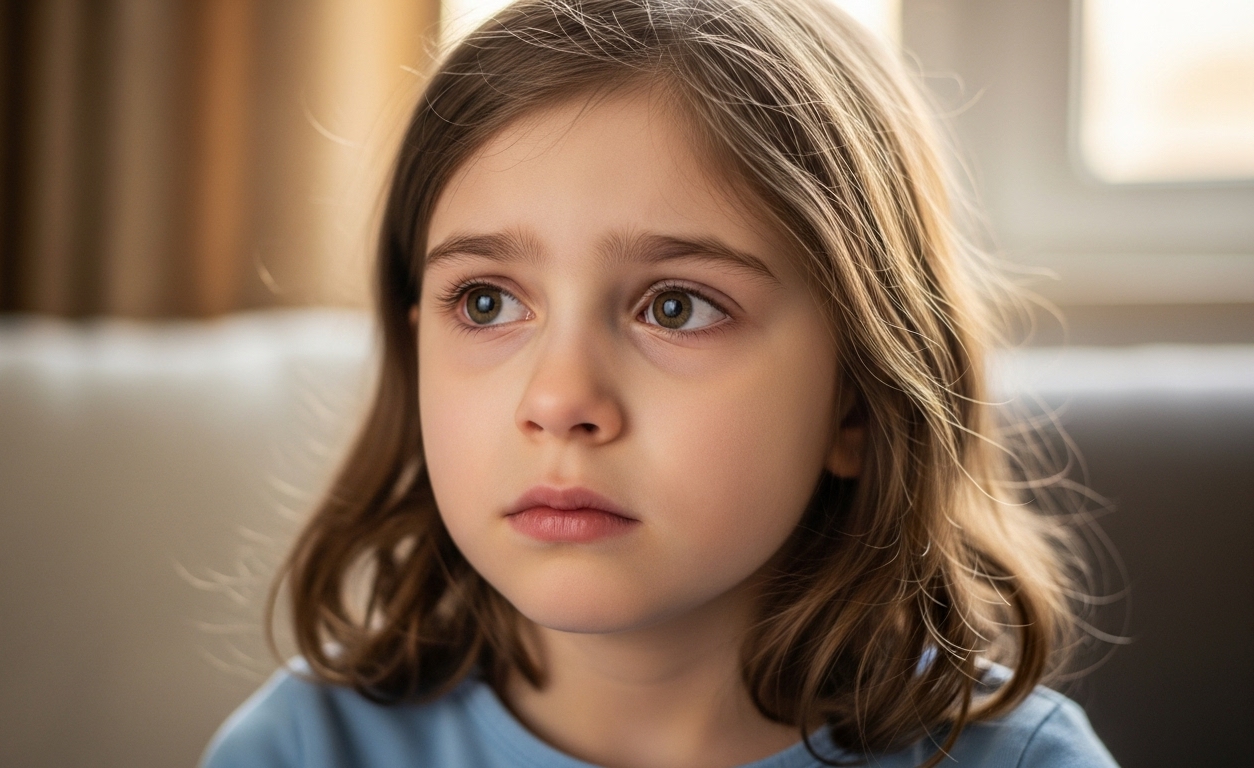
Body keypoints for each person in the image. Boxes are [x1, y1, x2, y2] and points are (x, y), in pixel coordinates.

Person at [202, 1, 1119, 766]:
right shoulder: (296, 751)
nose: (559, 401)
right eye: (485, 303)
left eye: (676, 307)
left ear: (857, 396)